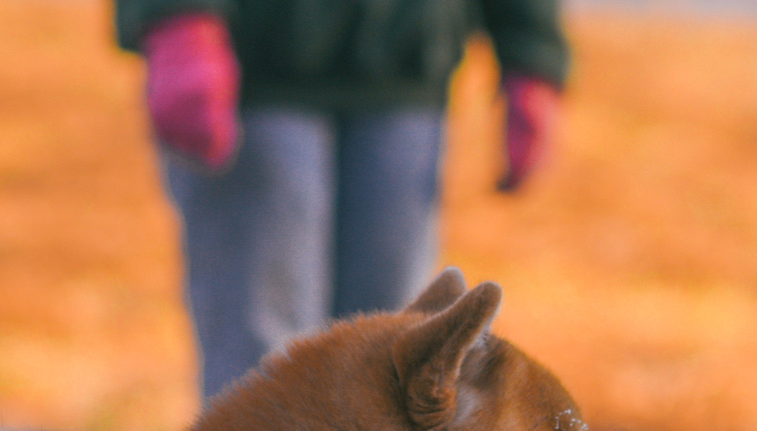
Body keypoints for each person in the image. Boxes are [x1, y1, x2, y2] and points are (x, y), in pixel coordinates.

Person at [115, 1, 569, 401]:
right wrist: (177, 15)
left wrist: (530, 43)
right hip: (254, 70)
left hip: (406, 66)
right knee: (263, 365)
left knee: (394, 362)